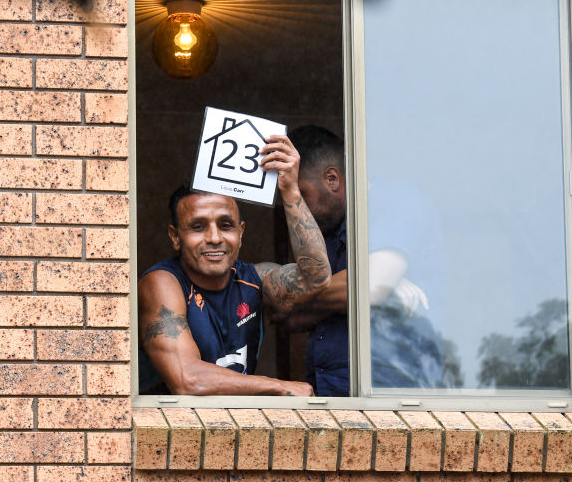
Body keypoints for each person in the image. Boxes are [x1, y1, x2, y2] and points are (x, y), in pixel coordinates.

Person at [138, 134, 331, 396]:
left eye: (226, 225)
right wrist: (278, 386)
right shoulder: (162, 282)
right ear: (175, 237)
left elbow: (316, 279)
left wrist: (290, 190)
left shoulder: (255, 278)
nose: (215, 238)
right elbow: (188, 379)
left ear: (241, 233)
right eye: (198, 227)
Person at [281, 125, 432, 396]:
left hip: (391, 399)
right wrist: (364, 286)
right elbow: (285, 315)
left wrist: (363, 287)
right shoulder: (323, 231)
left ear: (332, 180)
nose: (297, 211)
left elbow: (370, 289)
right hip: (330, 392)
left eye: (302, 195)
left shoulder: (395, 200)